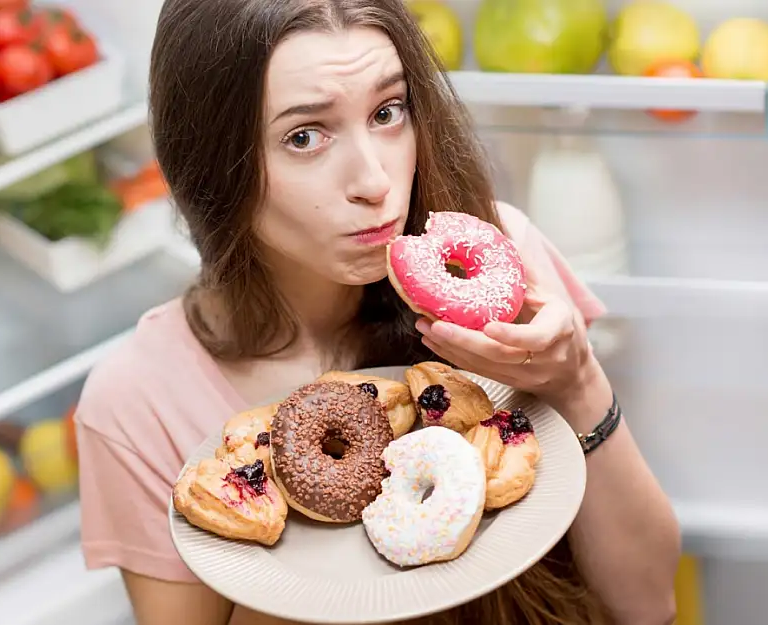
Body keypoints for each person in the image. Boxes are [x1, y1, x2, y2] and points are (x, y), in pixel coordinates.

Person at [75, 0, 681, 623]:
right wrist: (312, 525)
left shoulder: (500, 271)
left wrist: (577, 380)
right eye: (304, 136)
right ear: (209, 164)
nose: (375, 180)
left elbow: (646, 604)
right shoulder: (139, 400)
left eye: (388, 112)